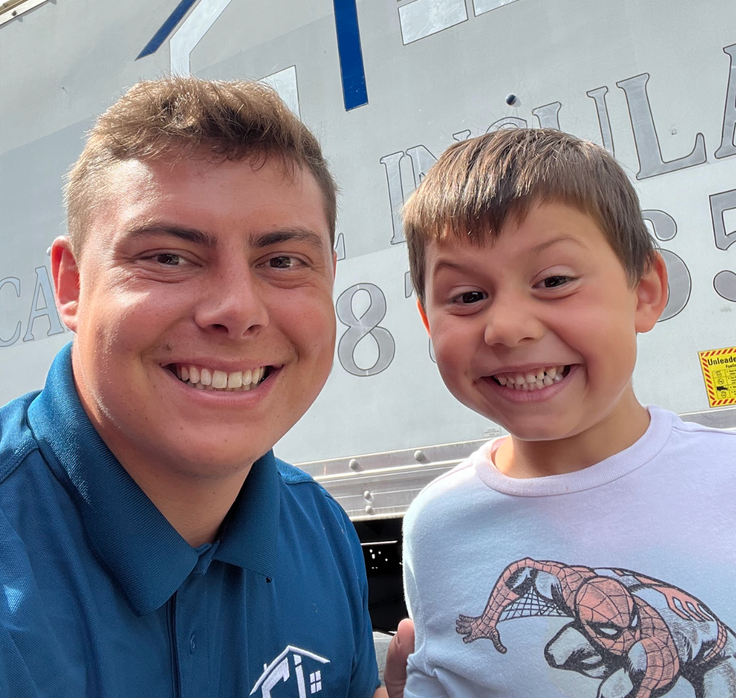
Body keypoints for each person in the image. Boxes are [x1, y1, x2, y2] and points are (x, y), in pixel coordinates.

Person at [0, 77, 395, 697]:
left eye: (283, 261)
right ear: (72, 285)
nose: (238, 309)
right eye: (168, 257)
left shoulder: (321, 531)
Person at [399, 128, 736, 698]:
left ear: (646, 290)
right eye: (466, 296)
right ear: (430, 323)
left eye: (554, 281)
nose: (507, 326)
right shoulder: (437, 525)